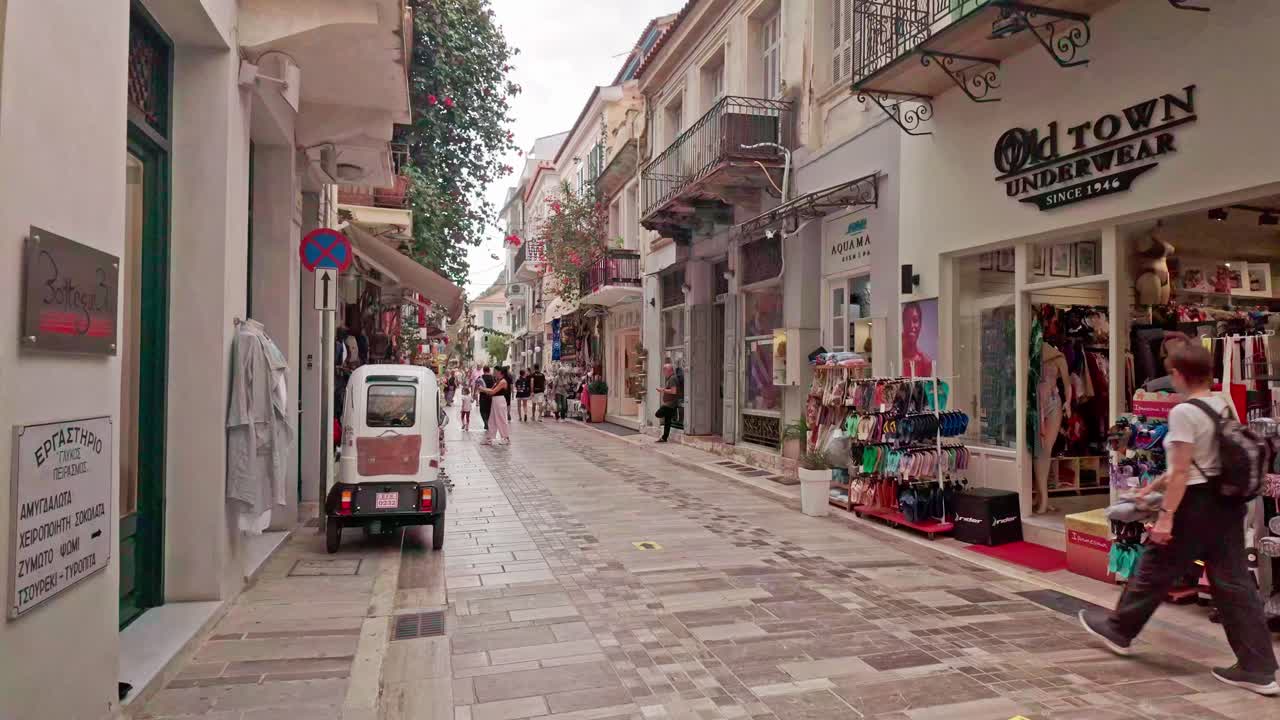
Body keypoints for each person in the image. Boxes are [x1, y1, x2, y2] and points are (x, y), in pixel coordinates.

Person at [1079, 343, 1279, 695]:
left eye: (1171, 372)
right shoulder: (1219, 403)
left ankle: (1119, 629)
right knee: (1233, 584)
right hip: (1225, 501)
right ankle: (1259, 667)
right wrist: (1149, 488)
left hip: (1195, 503)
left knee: (1156, 565)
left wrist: (1166, 517)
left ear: (1179, 375)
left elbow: (1184, 469)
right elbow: (1194, 463)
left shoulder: (1184, 412)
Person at [901, 301, 934, 377]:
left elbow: (925, 388)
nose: (911, 325)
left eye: (915, 320)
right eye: (907, 320)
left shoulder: (926, 362)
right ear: (903, 323)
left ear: (920, 324)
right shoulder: (897, 354)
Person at [481, 366, 511, 445]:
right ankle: (490, 438)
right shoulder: (497, 381)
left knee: (501, 419)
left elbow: (493, 391)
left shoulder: (503, 381)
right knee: (492, 420)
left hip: (500, 401)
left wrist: (482, 389)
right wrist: (482, 388)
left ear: (499, 372)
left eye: (495, 371)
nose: (493, 372)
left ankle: (505, 438)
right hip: (495, 401)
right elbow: (490, 390)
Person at [656, 363, 681, 443]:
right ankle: (664, 438)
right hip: (670, 403)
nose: (664, 373)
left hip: (670, 404)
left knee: (658, 414)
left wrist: (662, 390)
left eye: (664, 371)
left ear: (668, 370)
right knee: (667, 422)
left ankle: (673, 413)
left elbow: (674, 391)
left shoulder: (672, 378)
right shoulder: (671, 378)